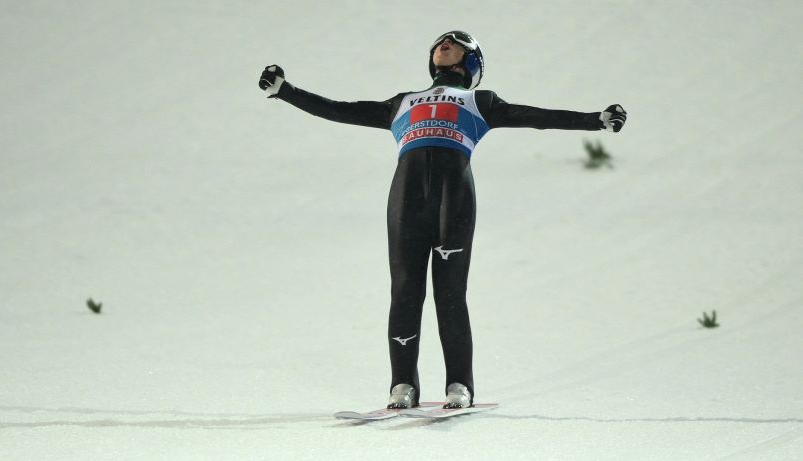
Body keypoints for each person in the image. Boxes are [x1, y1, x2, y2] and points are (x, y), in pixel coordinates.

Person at [259, 31, 626, 409]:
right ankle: (402, 384)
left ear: (472, 62)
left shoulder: (479, 101)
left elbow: (536, 117)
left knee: (450, 293)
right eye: (438, 43)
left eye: (456, 43)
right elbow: (339, 109)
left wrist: (595, 121)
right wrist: (285, 90)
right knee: (404, 291)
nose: (444, 43)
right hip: (406, 198)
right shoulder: (403, 102)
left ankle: (459, 384)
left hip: (454, 199)